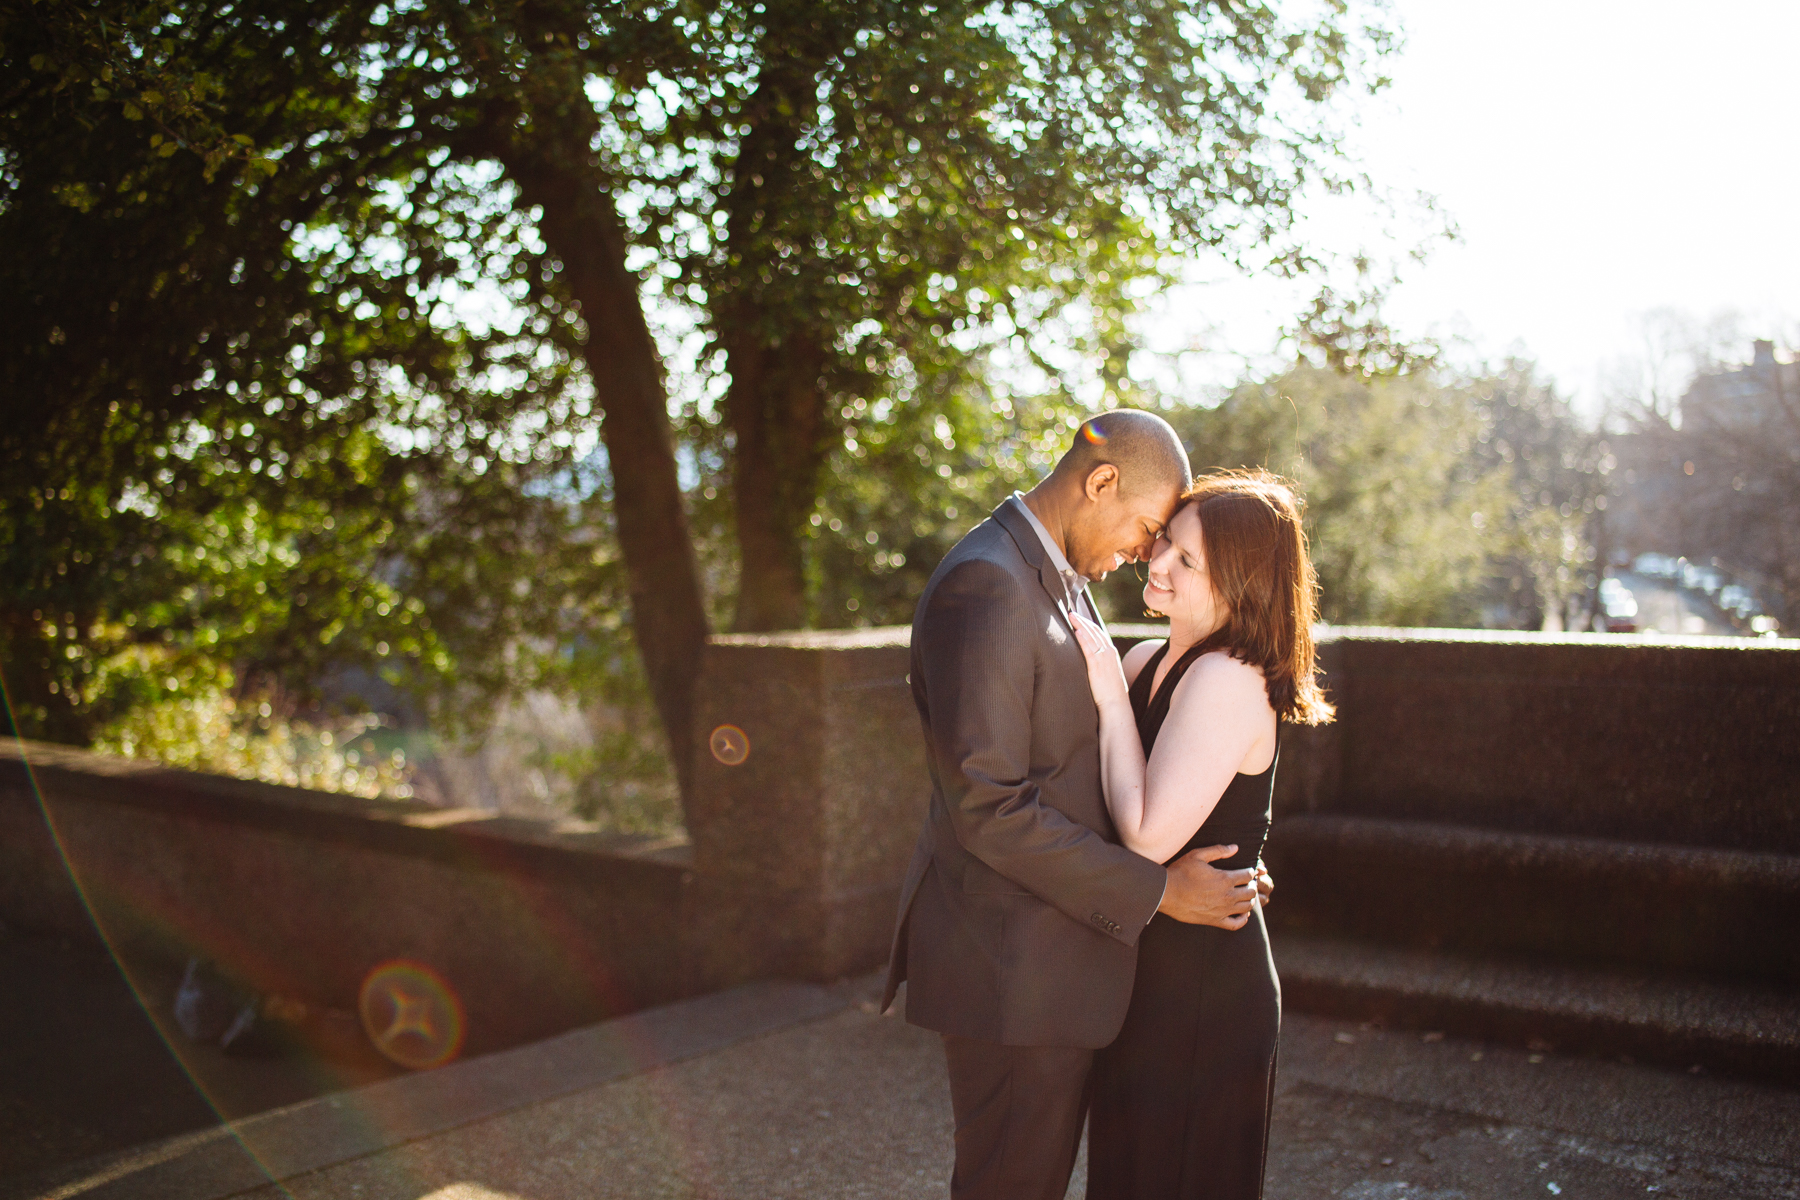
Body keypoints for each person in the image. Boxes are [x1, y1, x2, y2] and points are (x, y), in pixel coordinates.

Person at [881, 412, 1273, 1200]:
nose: (1145, 554)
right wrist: (1162, 890)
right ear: (1100, 482)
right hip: (1014, 969)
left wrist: (1231, 850)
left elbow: (1098, 761)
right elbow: (988, 806)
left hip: (1060, 966)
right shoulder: (989, 582)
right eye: (1148, 529)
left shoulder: (1054, 575)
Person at [1069, 468, 1335, 1200]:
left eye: (1187, 561)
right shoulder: (1142, 661)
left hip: (1203, 994)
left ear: (1241, 583)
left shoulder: (1231, 677)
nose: (1157, 563)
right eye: (1163, 544)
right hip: (1144, 972)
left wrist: (1108, 701)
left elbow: (1148, 835)